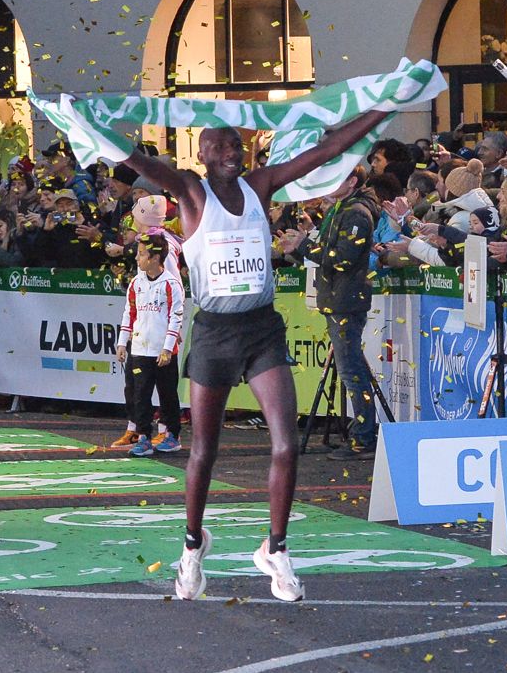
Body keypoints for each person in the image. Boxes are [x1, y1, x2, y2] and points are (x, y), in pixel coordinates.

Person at [125, 108, 394, 605]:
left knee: (286, 444)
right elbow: (139, 161)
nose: (231, 153)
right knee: (204, 450)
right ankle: (191, 547)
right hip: (214, 333)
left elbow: (328, 150)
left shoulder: (261, 184)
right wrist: (85, 126)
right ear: (202, 154)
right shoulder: (190, 191)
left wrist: (388, 106)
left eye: (237, 146)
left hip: (261, 328)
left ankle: (277, 549)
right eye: (220, 146)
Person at [301, 174, 382, 461]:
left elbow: (342, 258)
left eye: (337, 177)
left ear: (352, 181)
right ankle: (360, 432)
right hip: (338, 298)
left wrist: (303, 245)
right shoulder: (339, 209)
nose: (328, 182)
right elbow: (331, 251)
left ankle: (364, 438)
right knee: (349, 368)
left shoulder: (356, 213)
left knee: (351, 370)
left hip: (347, 300)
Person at [116, 234, 186, 456]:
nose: (136, 257)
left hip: (163, 352)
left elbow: (176, 317)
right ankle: (144, 437)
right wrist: (121, 342)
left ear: (156, 258)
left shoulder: (171, 284)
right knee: (140, 395)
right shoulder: (136, 283)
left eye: (142, 253)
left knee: (167, 395)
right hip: (139, 350)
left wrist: (167, 348)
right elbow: (130, 313)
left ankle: (172, 435)